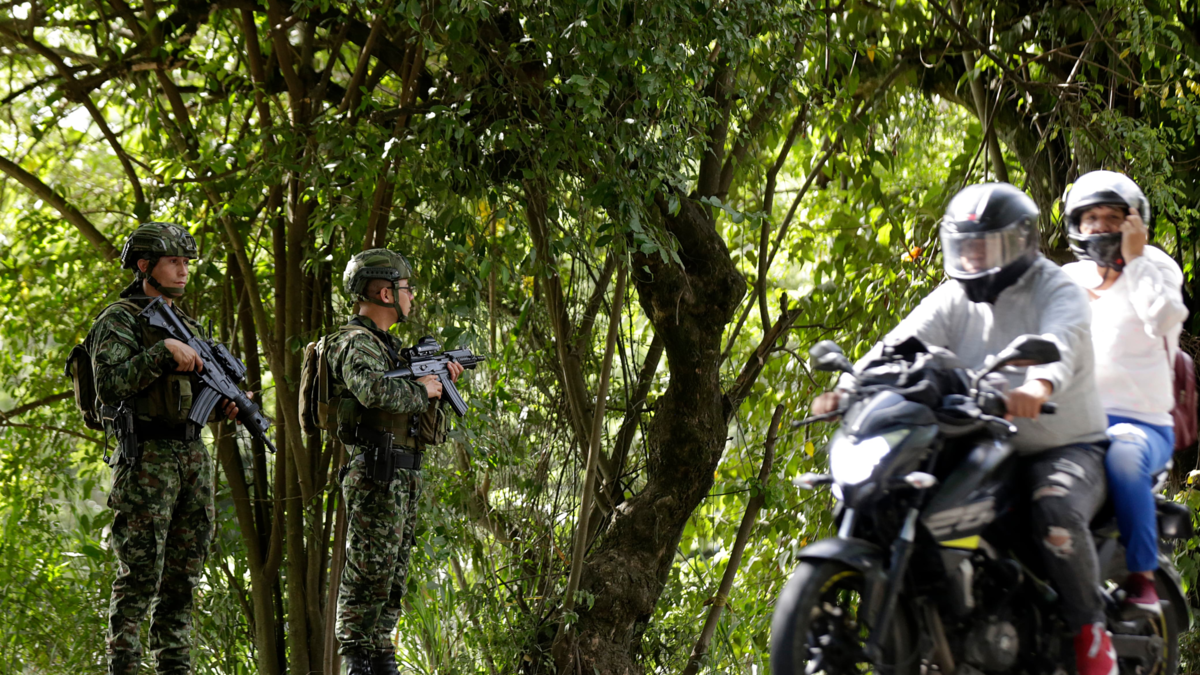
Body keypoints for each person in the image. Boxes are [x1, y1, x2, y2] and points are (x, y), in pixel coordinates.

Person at [812, 183, 1116, 675]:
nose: (975, 257)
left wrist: (1036, 388)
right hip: (985, 436)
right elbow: (898, 344)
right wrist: (847, 390)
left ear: (1020, 242)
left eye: (986, 246)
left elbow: (1061, 342)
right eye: (966, 247)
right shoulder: (955, 295)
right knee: (905, 493)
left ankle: (1092, 634)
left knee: (1054, 509)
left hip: (1063, 446)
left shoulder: (1057, 288)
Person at [91, 222, 238, 674]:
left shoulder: (187, 324)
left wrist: (229, 405)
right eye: (174, 261)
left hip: (193, 458)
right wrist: (161, 353)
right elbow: (108, 386)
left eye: (186, 262)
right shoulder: (120, 318)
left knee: (183, 576)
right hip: (147, 459)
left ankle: (175, 664)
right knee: (139, 574)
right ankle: (125, 665)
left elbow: (193, 398)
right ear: (144, 267)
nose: (183, 270)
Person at [329, 249, 460, 675]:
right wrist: (426, 391)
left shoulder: (389, 347)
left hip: (402, 472)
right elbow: (371, 391)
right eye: (407, 289)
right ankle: (355, 659)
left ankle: (380, 654)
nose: (412, 298)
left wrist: (439, 382)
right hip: (375, 472)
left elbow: (409, 406)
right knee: (368, 570)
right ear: (386, 292)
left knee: (393, 577)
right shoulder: (353, 342)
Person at [1062, 171, 1188, 614]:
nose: (1100, 226)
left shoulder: (1156, 267)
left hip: (1142, 426)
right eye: (1090, 217)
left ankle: (1143, 579)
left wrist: (1134, 262)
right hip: (1072, 425)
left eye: (1112, 216)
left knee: (1122, 454)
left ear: (1133, 222)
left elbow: (1168, 318)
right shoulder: (1067, 278)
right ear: (1076, 226)